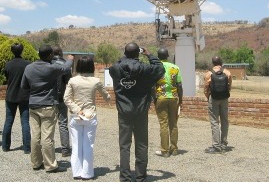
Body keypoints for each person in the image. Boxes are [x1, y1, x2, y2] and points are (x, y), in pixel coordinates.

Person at [109, 42, 164, 182]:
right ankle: (140, 176)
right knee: (141, 144)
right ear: (138, 53)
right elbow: (160, 69)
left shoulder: (115, 69)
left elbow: (114, 66)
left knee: (124, 145)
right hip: (140, 110)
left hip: (123, 111)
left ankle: (125, 177)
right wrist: (150, 55)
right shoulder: (145, 69)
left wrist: (125, 58)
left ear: (125, 53)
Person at [21, 45, 73, 173]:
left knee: (35, 136)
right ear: (50, 56)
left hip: (33, 105)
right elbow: (66, 68)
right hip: (48, 106)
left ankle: (36, 162)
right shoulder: (51, 68)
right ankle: (50, 165)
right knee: (47, 137)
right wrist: (70, 59)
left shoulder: (29, 67)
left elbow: (24, 86)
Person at [64, 56, 111, 180]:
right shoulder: (96, 81)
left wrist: (77, 110)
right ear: (91, 66)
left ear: (78, 66)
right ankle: (87, 173)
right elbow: (106, 97)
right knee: (88, 145)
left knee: (76, 145)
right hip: (90, 116)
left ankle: (77, 172)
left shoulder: (72, 80)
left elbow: (67, 99)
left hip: (76, 116)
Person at [2, 43, 31, 154]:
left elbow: (7, 78)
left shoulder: (8, 65)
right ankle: (27, 148)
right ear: (22, 50)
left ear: (12, 51)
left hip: (11, 95)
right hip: (24, 96)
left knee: (8, 121)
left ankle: (5, 146)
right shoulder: (27, 64)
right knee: (25, 122)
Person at [154, 47, 183, 157]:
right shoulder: (175, 68)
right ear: (167, 56)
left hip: (161, 97)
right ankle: (174, 149)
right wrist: (181, 100)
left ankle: (164, 150)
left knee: (163, 124)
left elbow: (152, 85)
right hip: (174, 98)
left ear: (158, 57)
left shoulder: (156, 67)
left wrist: (154, 98)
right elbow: (179, 85)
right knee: (173, 124)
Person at [203, 56, 232, 154]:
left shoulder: (209, 74)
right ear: (221, 62)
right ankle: (224, 144)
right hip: (224, 99)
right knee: (224, 120)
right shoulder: (227, 72)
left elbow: (206, 88)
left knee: (214, 122)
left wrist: (208, 97)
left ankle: (216, 146)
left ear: (213, 63)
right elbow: (229, 86)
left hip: (214, 98)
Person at [52, 46, 72, 157]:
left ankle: (48, 148)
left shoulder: (48, 64)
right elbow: (69, 81)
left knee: (48, 124)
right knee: (63, 124)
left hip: (49, 99)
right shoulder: (65, 65)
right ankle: (65, 149)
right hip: (62, 98)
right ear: (60, 53)